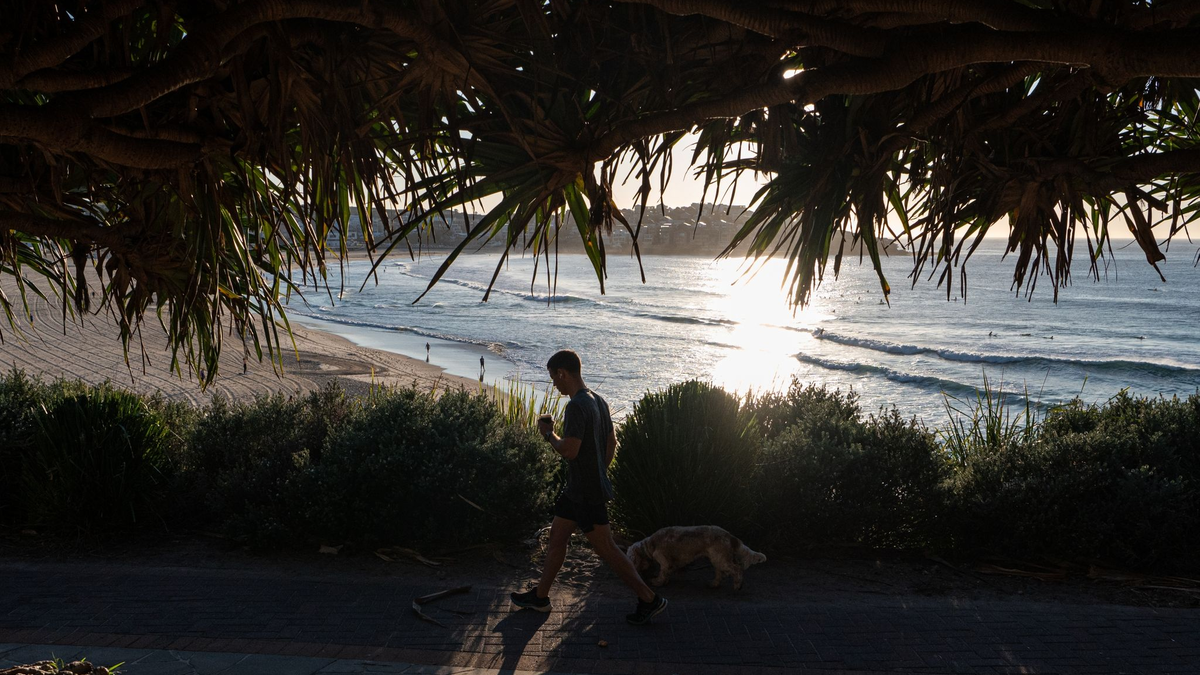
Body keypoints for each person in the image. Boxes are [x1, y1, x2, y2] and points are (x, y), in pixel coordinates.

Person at [510, 350, 668, 625]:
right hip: (579, 490)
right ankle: (540, 597)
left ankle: (649, 599)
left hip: (585, 493)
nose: (554, 385)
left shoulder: (576, 406)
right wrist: (598, 471)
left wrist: (549, 435)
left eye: (554, 378)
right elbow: (612, 444)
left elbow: (569, 451)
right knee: (557, 539)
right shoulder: (598, 401)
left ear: (563, 373)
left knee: (607, 549)